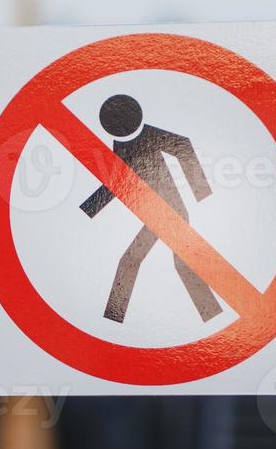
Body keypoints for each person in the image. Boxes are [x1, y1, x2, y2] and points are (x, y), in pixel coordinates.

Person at [80, 94, 222, 323]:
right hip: (156, 215)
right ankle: (212, 314)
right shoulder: (120, 147)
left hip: (173, 213)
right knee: (139, 261)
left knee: (154, 262)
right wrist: (89, 208)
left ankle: (114, 318)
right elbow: (115, 183)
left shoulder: (150, 134)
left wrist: (201, 190)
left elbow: (182, 145)